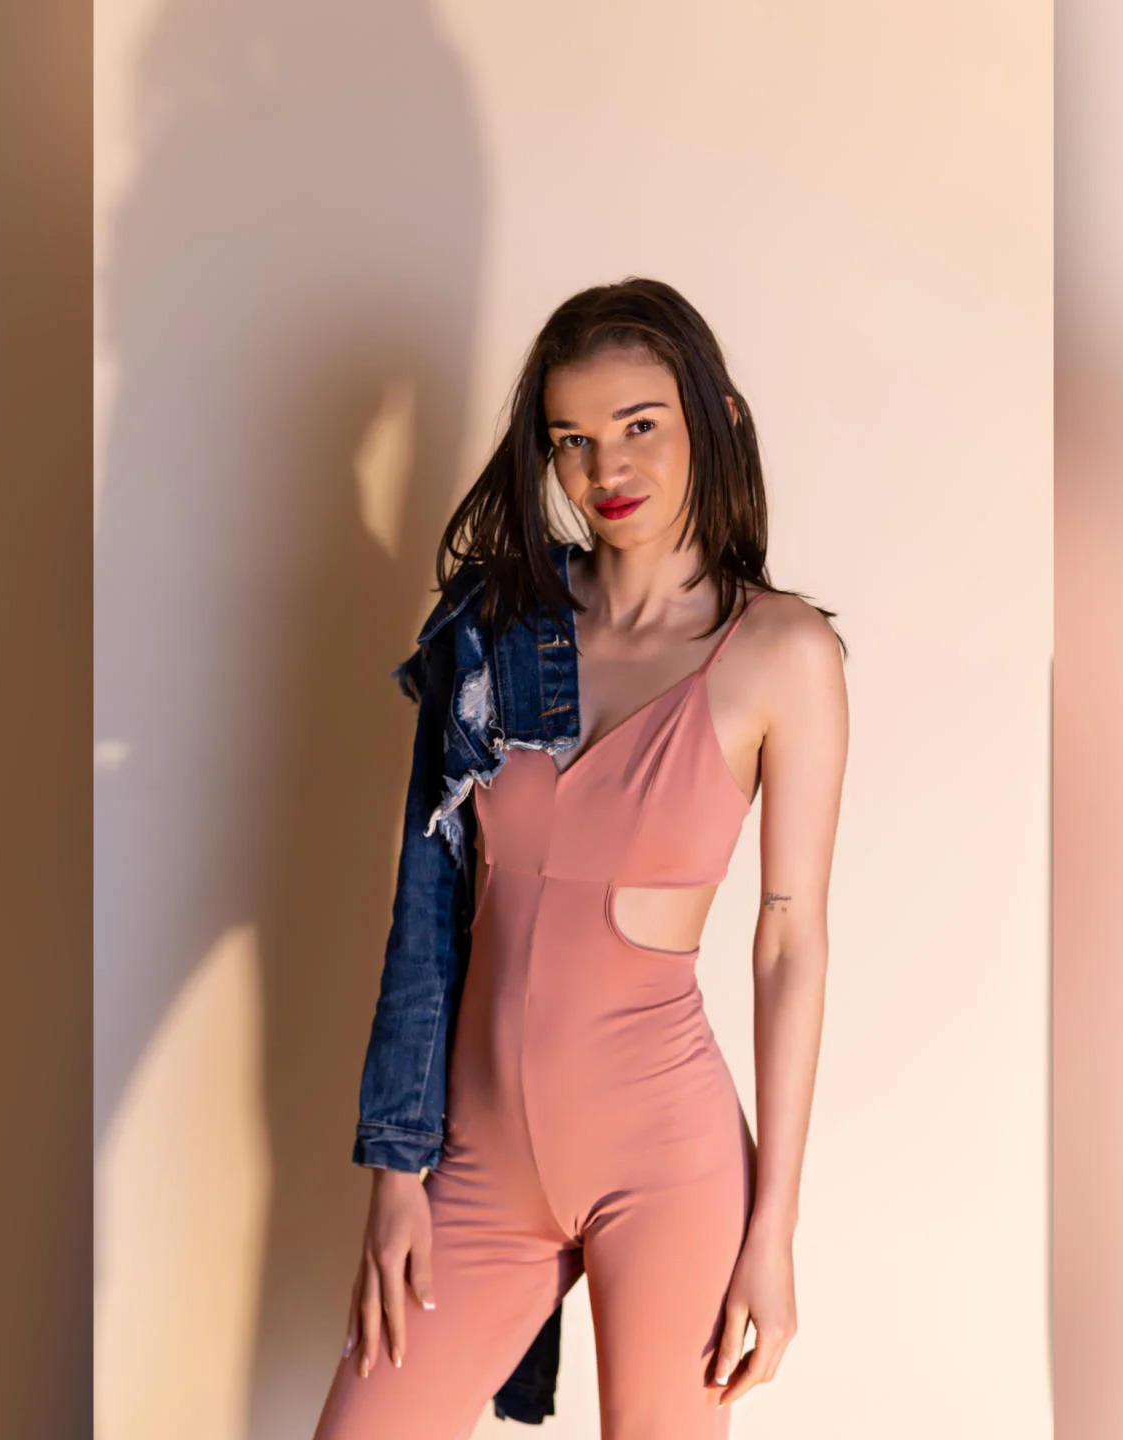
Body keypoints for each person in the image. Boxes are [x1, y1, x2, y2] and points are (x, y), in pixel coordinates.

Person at [313, 277, 848, 1438]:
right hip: (474, 1160)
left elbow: (789, 944)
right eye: (571, 439)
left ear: (716, 419)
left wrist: (773, 1231)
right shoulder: (492, 627)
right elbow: (426, 902)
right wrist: (396, 1172)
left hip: (666, 1163)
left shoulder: (781, 654)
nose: (607, 468)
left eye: (639, 425)